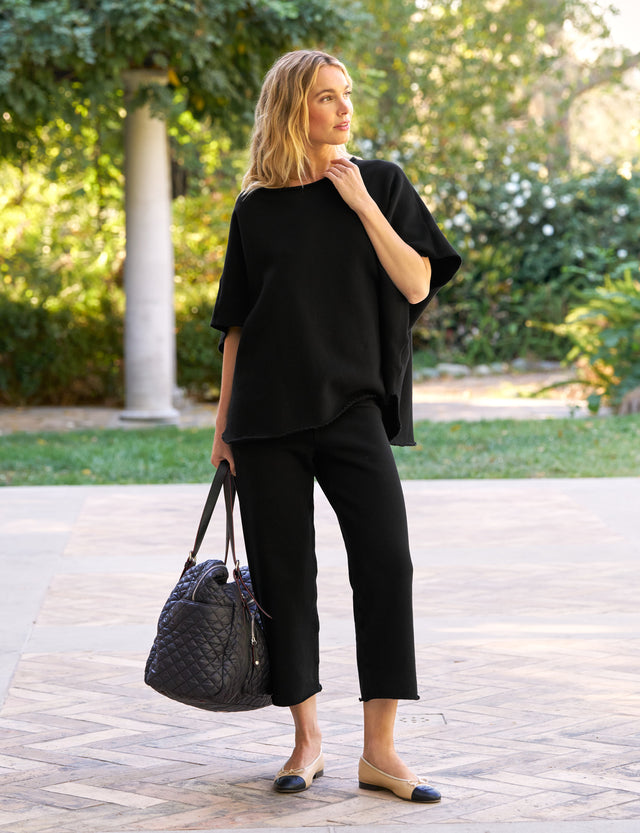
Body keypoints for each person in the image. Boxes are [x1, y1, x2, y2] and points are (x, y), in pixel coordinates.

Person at [210, 49, 461, 802]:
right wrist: (222, 426)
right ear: (294, 108)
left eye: (347, 95)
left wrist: (360, 203)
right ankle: (306, 740)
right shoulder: (255, 207)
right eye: (327, 97)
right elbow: (236, 328)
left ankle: (380, 752)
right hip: (265, 422)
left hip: (352, 409)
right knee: (287, 580)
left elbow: (417, 280)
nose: (344, 108)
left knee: (387, 564)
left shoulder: (379, 181)